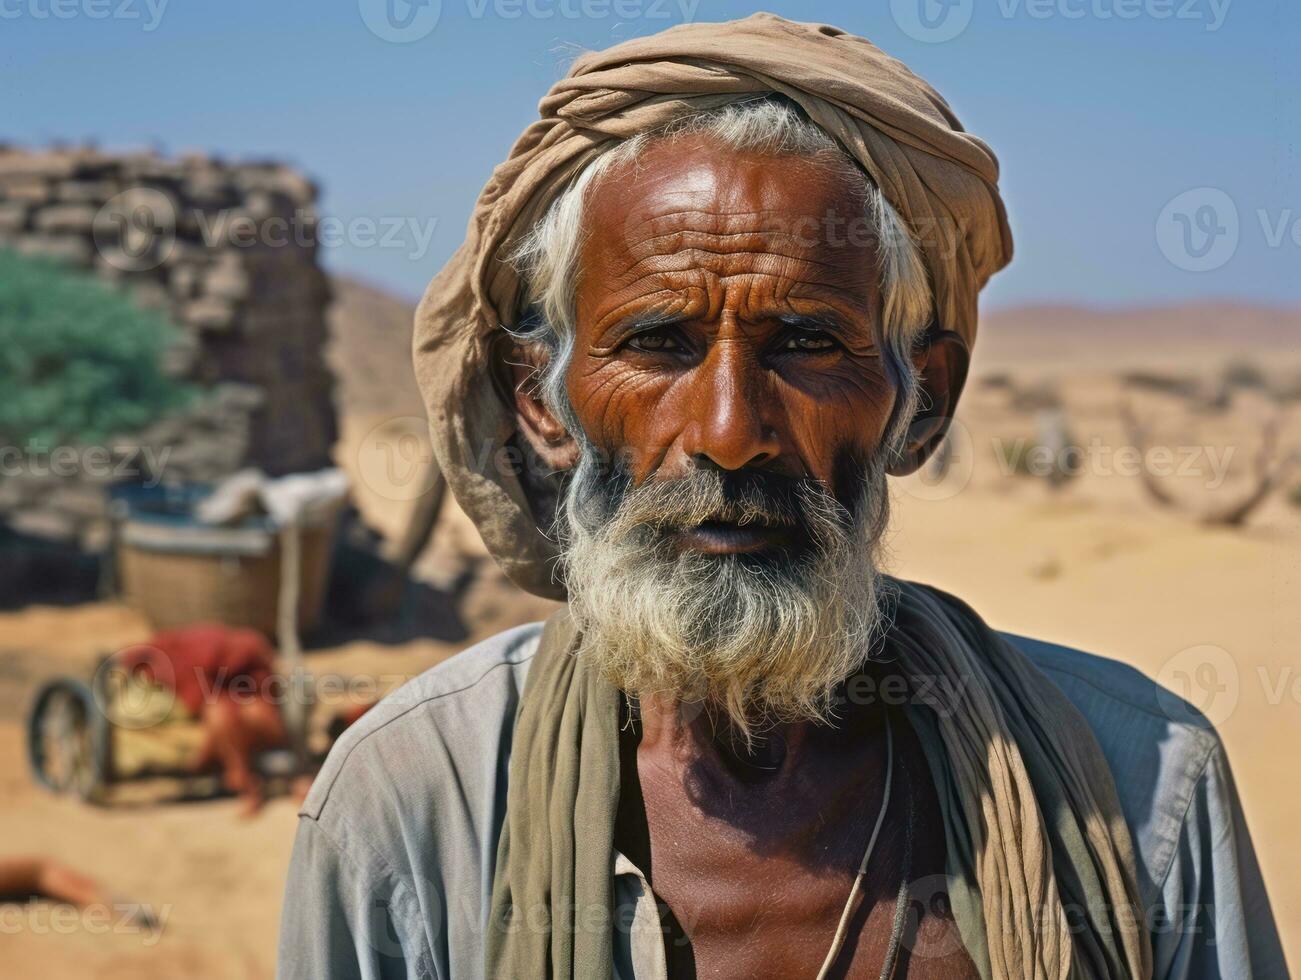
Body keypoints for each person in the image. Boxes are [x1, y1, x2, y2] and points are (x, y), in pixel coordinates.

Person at [277, 14, 1286, 979]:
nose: (728, 431)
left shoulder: (1137, 782)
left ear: (921, 402)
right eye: (656, 343)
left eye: (806, 343)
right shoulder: (410, 800)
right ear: (539, 401)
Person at [121, 623, 288, 816]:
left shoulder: (243, 662)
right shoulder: (169, 664)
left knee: (242, 713)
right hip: (213, 720)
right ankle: (242, 778)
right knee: (220, 714)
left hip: (237, 714)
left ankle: (245, 777)